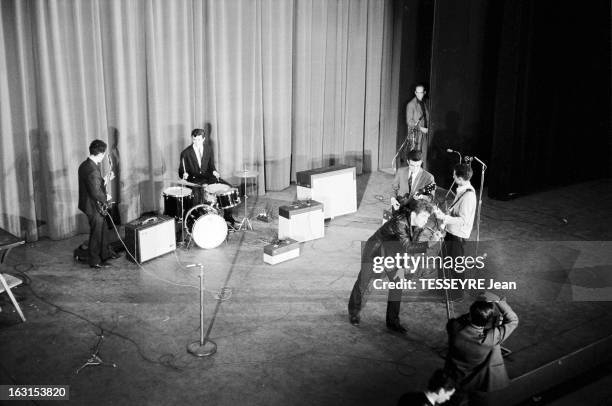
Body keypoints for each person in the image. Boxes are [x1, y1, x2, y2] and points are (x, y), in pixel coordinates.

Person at [348, 200, 440, 334]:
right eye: (424, 216)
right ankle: (354, 312)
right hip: (376, 251)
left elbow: (410, 245)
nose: (426, 221)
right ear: (414, 214)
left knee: (397, 284)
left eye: (427, 217)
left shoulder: (417, 224)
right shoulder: (400, 222)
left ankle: (392, 322)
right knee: (363, 281)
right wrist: (429, 244)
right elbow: (408, 246)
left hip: (393, 253)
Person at [445, 292, 519, 403]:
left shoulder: (454, 328)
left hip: (456, 380)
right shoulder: (491, 337)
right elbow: (513, 320)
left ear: (470, 315)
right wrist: (499, 301)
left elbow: (461, 320)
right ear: (488, 320)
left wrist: (478, 306)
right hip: (481, 383)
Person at [178, 125, 236, 227]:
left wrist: (215, 172)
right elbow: (181, 171)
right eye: (194, 140)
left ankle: (228, 216)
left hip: (208, 177)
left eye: (199, 140)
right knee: (196, 196)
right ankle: (193, 221)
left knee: (228, 189)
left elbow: (211, 166)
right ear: (192, 139)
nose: (196, 142)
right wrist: (184, 175)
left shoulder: (208, 149)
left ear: (203, 139)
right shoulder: (185, 153)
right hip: (194, 180)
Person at [435, 163, 476, 301]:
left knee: (456, 267)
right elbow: (456, 212)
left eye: (454, 175)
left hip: (458, 235)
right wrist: (447, 216)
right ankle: (443, 289)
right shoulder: (462, 190)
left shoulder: (469, 196)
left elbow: (463, 220)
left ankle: (457, 295)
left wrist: (444, 217)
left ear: (460, 178)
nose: (452, 176)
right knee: (442, 260)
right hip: (452, 232)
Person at [78, 140, 119, 269]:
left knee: (104, 229)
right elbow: (96, 193)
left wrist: (106, 180)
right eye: (104, 154)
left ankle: (105, 253)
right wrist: (107, 197)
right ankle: (94, 260)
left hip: (89, 203)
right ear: (100, 154)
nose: (104, 156)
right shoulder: (93, 170)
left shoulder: (85, 165)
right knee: (96, 233)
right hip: (93, 206)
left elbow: (93, 185)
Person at [406, 84, 429, 151]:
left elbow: (427, 118)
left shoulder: (424, 104)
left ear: (424, 93)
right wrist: (421, 128)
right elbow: (409, 122)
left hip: (423, 136)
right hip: (415, 137)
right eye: (417, 92)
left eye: (421, 92)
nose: (419, 94)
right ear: (415, 93)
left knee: (423, 156)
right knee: (415, 157)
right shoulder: (411, 104)